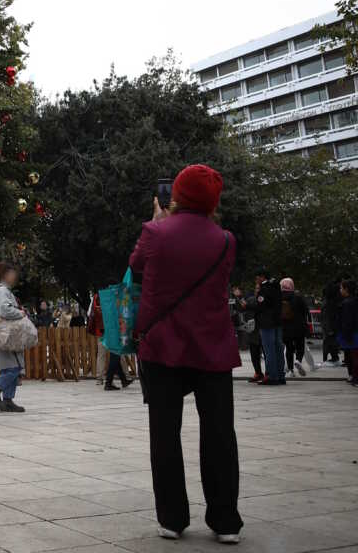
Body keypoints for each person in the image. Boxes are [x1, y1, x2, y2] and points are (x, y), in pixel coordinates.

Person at [130, 164, 242, 544]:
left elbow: (136, 265)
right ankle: (225, 520)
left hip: (163, 346)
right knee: (220, 434)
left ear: (175, 196)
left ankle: (173, 518)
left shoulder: (155, 233)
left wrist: (159, 220)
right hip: (213, 347)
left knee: (165, 434)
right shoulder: (226, 240)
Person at [0, 262, 28, 412]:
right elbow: (5, 310)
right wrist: (20, 313)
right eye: (11, 274)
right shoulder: (2, 291)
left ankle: (8, 400)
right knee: (15, 367)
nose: (14, 277)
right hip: (3, 334)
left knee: (7, 368)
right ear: (4, 275)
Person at [337, 279, 358, 387]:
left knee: (357, 356)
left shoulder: (347, 303)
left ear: (346, 289)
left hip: (353, 332)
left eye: (341, 288)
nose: (340, 290)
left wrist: (346, 334)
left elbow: (348, 320)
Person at [255, 276, 285, 386]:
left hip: (266, 322)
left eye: (257, 278)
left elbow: (260, 306)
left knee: (269, 350)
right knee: (278, 349)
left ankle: (272, 376)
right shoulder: (276, 287)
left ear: (261, 277)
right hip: (277, 321)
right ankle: (280, 375)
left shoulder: (264, 289)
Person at [280, 278, 312, 377]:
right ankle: (298, 360)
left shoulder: (279, 297)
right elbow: (306, 311)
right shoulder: (298, 297)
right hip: (299, 326)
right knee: (300, 346)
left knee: (289, 348)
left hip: (285, 327)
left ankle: (290, 370)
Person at [321, 279, 343, 367]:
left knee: (328, 342)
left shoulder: (327, 301)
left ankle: (330, 358)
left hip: (329, 326)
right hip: (330, 326)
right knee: (330, 342)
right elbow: (327, 317)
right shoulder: (331, 302)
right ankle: (332, 358)